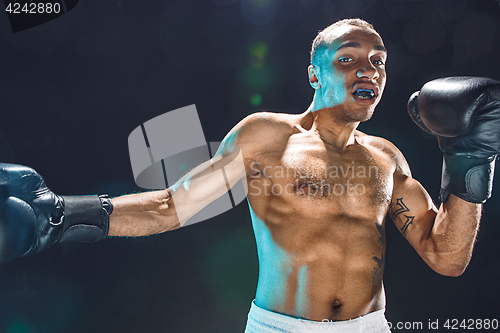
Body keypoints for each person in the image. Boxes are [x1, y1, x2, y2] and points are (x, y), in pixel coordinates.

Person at [1, 18, 499, 333]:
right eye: (347, 59)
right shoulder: (267, 137)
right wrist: (64, 216)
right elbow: (174, 206)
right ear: (314, 74)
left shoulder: (388, 158)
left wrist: (470, 160)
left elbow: (447, 257)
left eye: (378, 63)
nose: (367, 71)